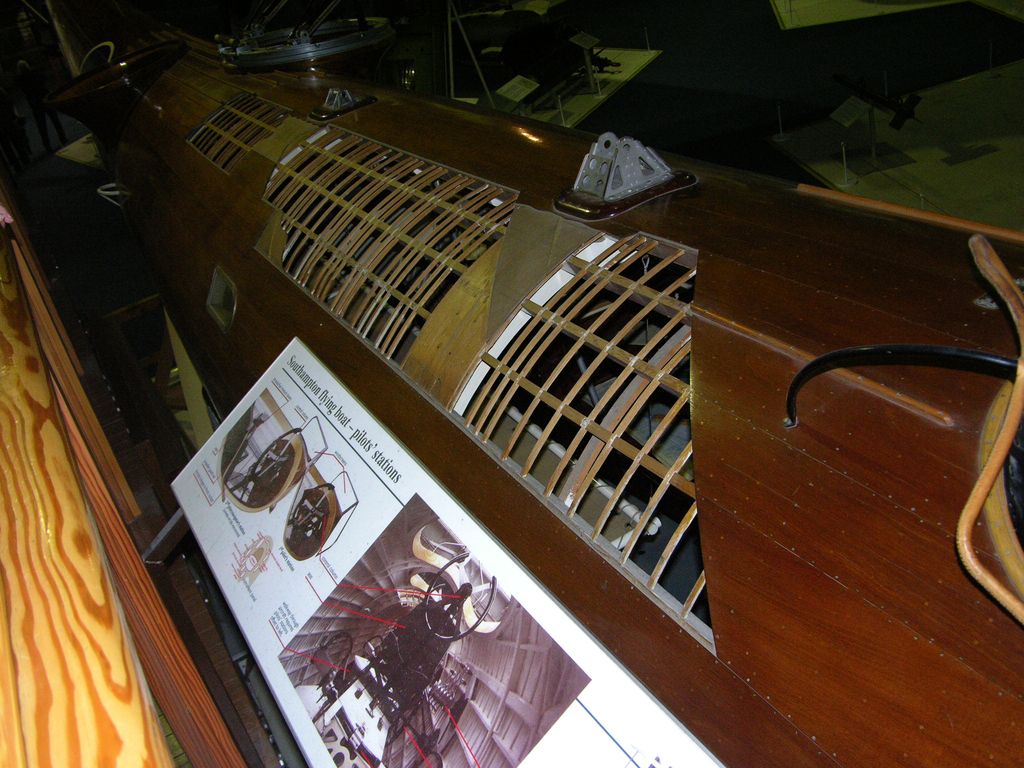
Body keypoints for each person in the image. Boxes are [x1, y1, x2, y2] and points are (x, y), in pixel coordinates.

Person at [16, 59, 67, 154]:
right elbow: (44, 80)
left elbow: (24, 90)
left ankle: (47, 145)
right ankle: (63, 137)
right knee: (55, 119)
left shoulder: (20, 79)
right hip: (44, 98)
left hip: (35, 103)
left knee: (42, 126)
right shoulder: (35, 73)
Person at [0, 86, 30, 172]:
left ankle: (16, 164)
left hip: (2, 125)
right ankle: (24, 159)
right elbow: (11, 105)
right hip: (10, 122)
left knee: (7, 147)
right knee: (17, 142)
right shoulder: (4, 97)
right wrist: (16, 117)